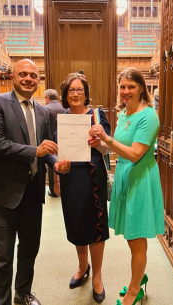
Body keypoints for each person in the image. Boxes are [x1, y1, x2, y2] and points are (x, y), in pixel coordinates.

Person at [0, 59, 70, 305]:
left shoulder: (42, 111)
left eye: (33, 75)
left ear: (38, 80)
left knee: (29, 249)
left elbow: (46, 147)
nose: (28, 79)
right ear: (12, 77)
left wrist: (55, 163)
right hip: (4, 193)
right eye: (23, 74)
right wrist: (35, 151)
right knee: (4, 256)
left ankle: (23, 293)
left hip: (32, 192)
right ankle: (3, 302)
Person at [90, 67, 164, 305]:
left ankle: (135, 291)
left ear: (142, 88)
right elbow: (116, 148)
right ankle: (138, 280)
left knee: (137, 237)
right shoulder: (123, 114)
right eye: (122, 86)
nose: (126, 91)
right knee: (131, 236)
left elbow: (134, 154)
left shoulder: (149, 116)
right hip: (124, 176)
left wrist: (106, 139)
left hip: (140, 180)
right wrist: (100, 145)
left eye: (131, 86)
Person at [57, 72, 111, 304]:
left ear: (86, 93)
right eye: (72, 90)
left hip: (93, 179)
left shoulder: (98, 115)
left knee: (96, 226)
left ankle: (97, 276)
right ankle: (82, 267)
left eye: (80, 90)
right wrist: (57, 173)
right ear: (65, 95)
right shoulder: (61, 118)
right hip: (70, 177)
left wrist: (100, 142)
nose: (76, 94)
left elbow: (109, 148)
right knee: (76, 222)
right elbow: (54, 151)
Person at [44, 89, 65, 197]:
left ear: (47, 98)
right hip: (65, 140)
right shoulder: (65, 108)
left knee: (53, 164)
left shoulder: (44, 109)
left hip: (51, 141)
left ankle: (53, 190)